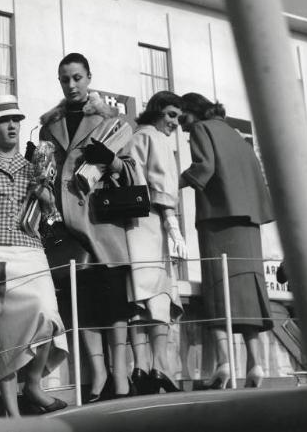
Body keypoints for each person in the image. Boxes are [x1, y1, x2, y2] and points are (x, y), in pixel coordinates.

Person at [0, 94, 68, 417]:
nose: (11, 126)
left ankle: (33, 385)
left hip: (31, 247)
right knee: (3, 334)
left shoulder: (37, 166)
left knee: (47, 315)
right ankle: (12, 413)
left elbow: (51, 218)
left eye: (16, 121)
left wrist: (46, 199)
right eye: (4, 121)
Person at [39, 52, 137, 401]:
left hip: (103, 220)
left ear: (89, 77)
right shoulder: (49, 124)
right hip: (68, 226)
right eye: (65, 79)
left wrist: (109, 161)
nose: (71, 85)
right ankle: (97, 377)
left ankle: (121, 377)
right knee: (85, 304)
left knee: (113, 302)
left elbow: (130, 170)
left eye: (77, 77)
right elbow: (45, 170)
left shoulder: (113, 120)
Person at [179, 92, 274, 389]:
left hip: (218, 221)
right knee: (248, 292)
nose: (181, 125)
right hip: (248, 222)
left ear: (192, 112)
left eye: (182, 116)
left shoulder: (200, 129)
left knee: (218, 291)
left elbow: (203, 168)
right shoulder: (235, 134)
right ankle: (255, 365)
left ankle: (223, 365)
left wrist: (175, 181)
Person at [124, 91, 187, 394]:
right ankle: (160, 366)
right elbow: (163, 185)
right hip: (153, 224)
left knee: (138, 298)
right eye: (171, 115)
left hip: (130, 225)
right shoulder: (156, 138)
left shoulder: (135, 137)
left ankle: (139, 366)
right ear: (159, 111)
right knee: (159, 295)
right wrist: (173, 226)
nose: (175, 123)